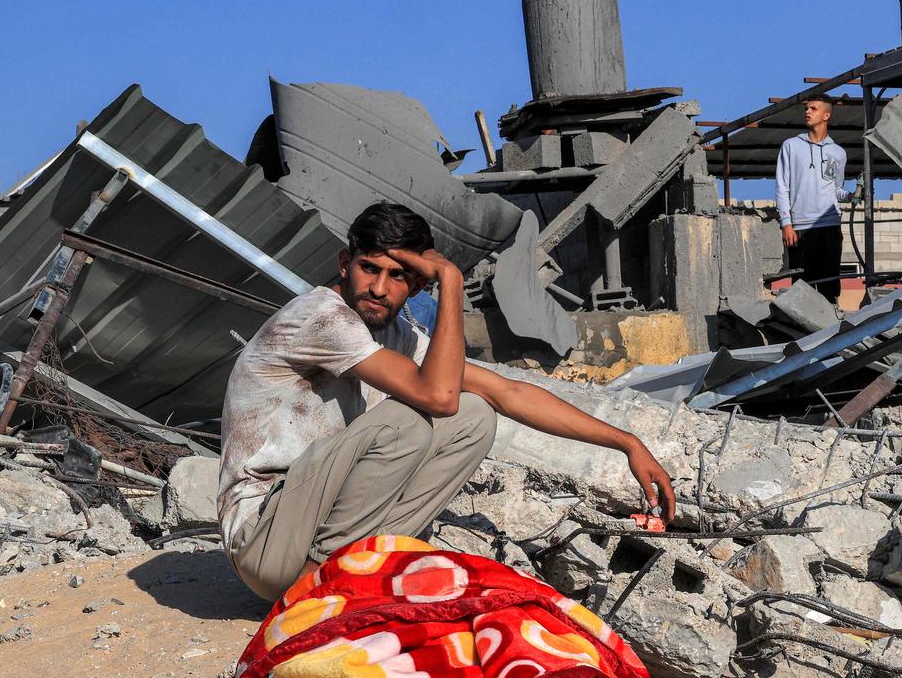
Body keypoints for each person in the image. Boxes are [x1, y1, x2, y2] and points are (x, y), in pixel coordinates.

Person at [217, 202, 676, 601]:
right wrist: (453, 281)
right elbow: (436, 396)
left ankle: (355, 570)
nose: (379, 288)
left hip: (306, 523)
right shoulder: (322, 317)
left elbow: (506, 391)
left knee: (475, 414)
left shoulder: (394, 334)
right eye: (369, 268)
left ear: (416, 288)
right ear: (344, 264)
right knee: (410, 419)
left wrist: (626, 442)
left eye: (398, 276)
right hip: (263, 535)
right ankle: (318, 579)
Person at [775, 95, 854, 304]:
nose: (807, 112)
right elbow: (782, 186)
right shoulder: (790, 146)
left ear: (826, 115)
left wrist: (851, 196)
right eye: (806, 108)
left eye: (814, 108)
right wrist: (786, 223)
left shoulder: (838, 153)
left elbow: (836, 189)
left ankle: (832, 332)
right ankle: (805, 335)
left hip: (830, 225)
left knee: (830, 287)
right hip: (799, 228)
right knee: (802, 289)